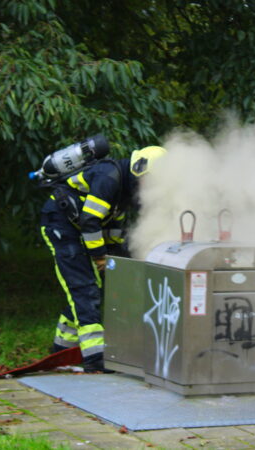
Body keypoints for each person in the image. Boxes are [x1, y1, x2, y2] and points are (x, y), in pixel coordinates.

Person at [39, 143, 167, 372]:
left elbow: (114, 224)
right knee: (84, 288)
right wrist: (100, 257)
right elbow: (90, 220)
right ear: (140, 169)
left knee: (86, 291)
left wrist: (119, 255)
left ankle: (61, 351)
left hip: (77, 229)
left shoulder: (125, 188)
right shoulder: (109, 178)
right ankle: (95, 357)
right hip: (61, 225)